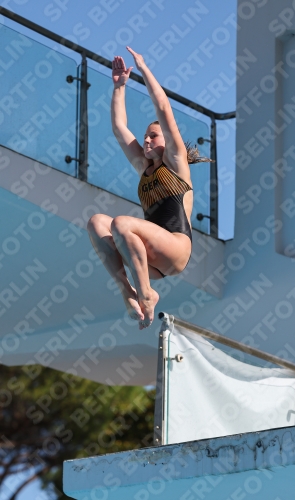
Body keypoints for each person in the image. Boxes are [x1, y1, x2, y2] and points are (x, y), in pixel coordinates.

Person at [88, 46, 210, 330]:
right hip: (149, 259)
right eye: (145, 136)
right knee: (97, 223)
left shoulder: (177, 162)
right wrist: (119, 87)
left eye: (153, 136)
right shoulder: (145, 169)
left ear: (167, 140)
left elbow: (163, 108)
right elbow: (119, 128)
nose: (146, 141)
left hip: (176, 247)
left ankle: (146, 293)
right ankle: (128, 292)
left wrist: (143, 69)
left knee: (121, 224)